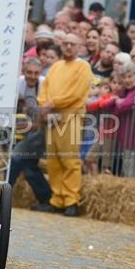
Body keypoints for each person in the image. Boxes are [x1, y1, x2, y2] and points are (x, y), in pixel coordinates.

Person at [36, 33, 93, 216]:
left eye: (72, 44)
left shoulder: (83, 67)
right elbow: (44, 89)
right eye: (66, 43)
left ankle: (71, 200)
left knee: (69, 159)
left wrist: (53, 104)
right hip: (52, 118)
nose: (68, 46)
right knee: (53, 160)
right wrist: (43, 105)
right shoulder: (56, 66)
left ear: (79, 47)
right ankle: (57, 199)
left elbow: (77, 94)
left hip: (71, 117)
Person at [9, 58, 52, 211]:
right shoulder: (18, 83)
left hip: (44, 128)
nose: (32, 76)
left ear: (40, 73)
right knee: (29, 166)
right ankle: (47, 198)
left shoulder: (45, 84)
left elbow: (48, 114)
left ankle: (4, 193)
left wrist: (31, 126)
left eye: (36, 73)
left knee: (17, 156)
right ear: (23, 72)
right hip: (27, 126)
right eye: (29, 72)